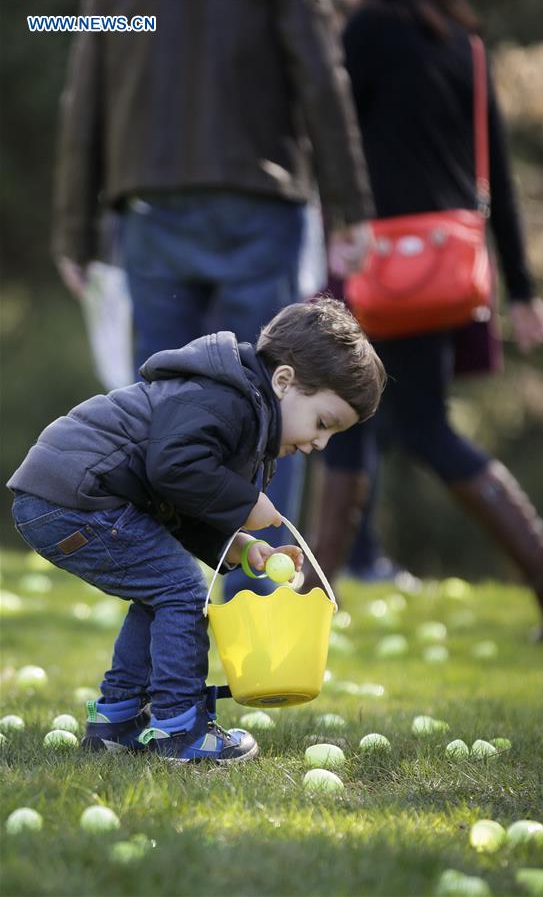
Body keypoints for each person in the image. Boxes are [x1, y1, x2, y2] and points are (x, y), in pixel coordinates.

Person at [52, 0, 374, 600]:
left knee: (163, 410)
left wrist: (75, 227)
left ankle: (162, 599)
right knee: (280, 406)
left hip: (151, 200)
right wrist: (351, 205)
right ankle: (265, 604)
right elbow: (319, 71)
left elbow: (86, 84)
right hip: (257, 193)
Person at [306, 0, 543, 639]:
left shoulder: (368, 30)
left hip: (377, 265)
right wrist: (519, 288)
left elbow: (329, 134)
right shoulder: (465, 44)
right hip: (444, 273)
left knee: (351, 416)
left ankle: (313, 600)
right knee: (421, 426)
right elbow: (496, 173)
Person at [7, 299, 386, 762]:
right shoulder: (225, 400)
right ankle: (180, 729)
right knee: (182, 591)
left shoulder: (245, 417)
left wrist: (242, 547)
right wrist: (246, 503)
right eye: (323, 423)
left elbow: (178, 504)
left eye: (333, 435)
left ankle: (120, 719)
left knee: (162, 590)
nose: (319, 443)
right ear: (284, 382)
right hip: (76, 494)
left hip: (65, 497)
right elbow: (172, 469)